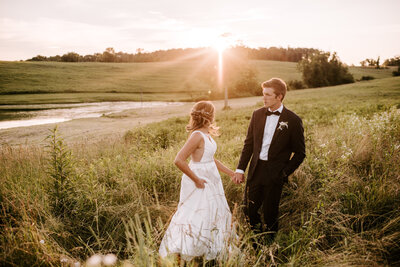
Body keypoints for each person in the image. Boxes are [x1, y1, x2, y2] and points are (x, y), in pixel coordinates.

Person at [159, 101, 235, 261]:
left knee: (211, 212)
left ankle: (207, 248)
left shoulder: (206, 134)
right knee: (195, 213)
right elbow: (178, 160)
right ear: (211, 115)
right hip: (198, 179)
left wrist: (230, 172)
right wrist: (197, 179)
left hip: (211, 178)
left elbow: (211, 159)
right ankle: (186, 250)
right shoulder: (197, 135)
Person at [233, 78, 305, 240]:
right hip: (256, 170)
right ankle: (257, 242)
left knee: (270, 213)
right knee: (248, 210)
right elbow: (249, 144)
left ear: (279, 97)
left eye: (267, 95)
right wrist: (240, 169)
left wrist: (284, 172)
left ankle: (271, 248)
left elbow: (300, 153)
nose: (263, 98)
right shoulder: (257, 114)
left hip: (275, 174)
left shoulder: (293, 120)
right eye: (263, 94)